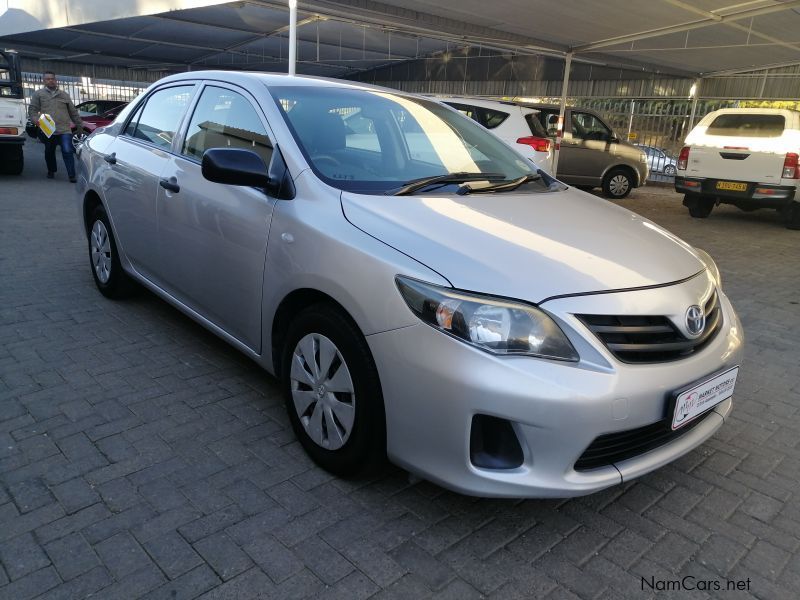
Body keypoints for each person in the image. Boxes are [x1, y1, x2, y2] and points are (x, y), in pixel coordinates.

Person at [28, 71, 83, 182]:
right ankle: (51, 170)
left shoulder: (64, 95)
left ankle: (71, 175)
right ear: (44, 81)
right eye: (48, 79)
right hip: (48, 129)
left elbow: (73, 111)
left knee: (67, 151)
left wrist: (79, 124)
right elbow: (32, 111)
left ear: (55, 80)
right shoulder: (39, 94)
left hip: (64, 129)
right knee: (49, 151)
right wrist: (36, 121)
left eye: (52, 78)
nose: (50, 80)